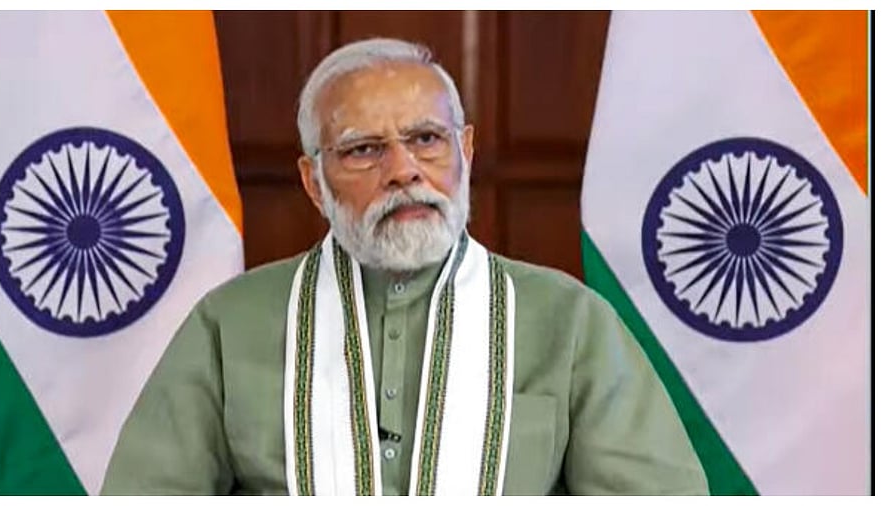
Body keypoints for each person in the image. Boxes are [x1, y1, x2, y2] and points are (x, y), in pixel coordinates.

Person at [101, 38, 708, 496]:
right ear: (314, 181)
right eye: (364, 149)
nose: (403, 171)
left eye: (425, 139)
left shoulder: (568, 320)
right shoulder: (229, 325)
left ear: (464, 151)